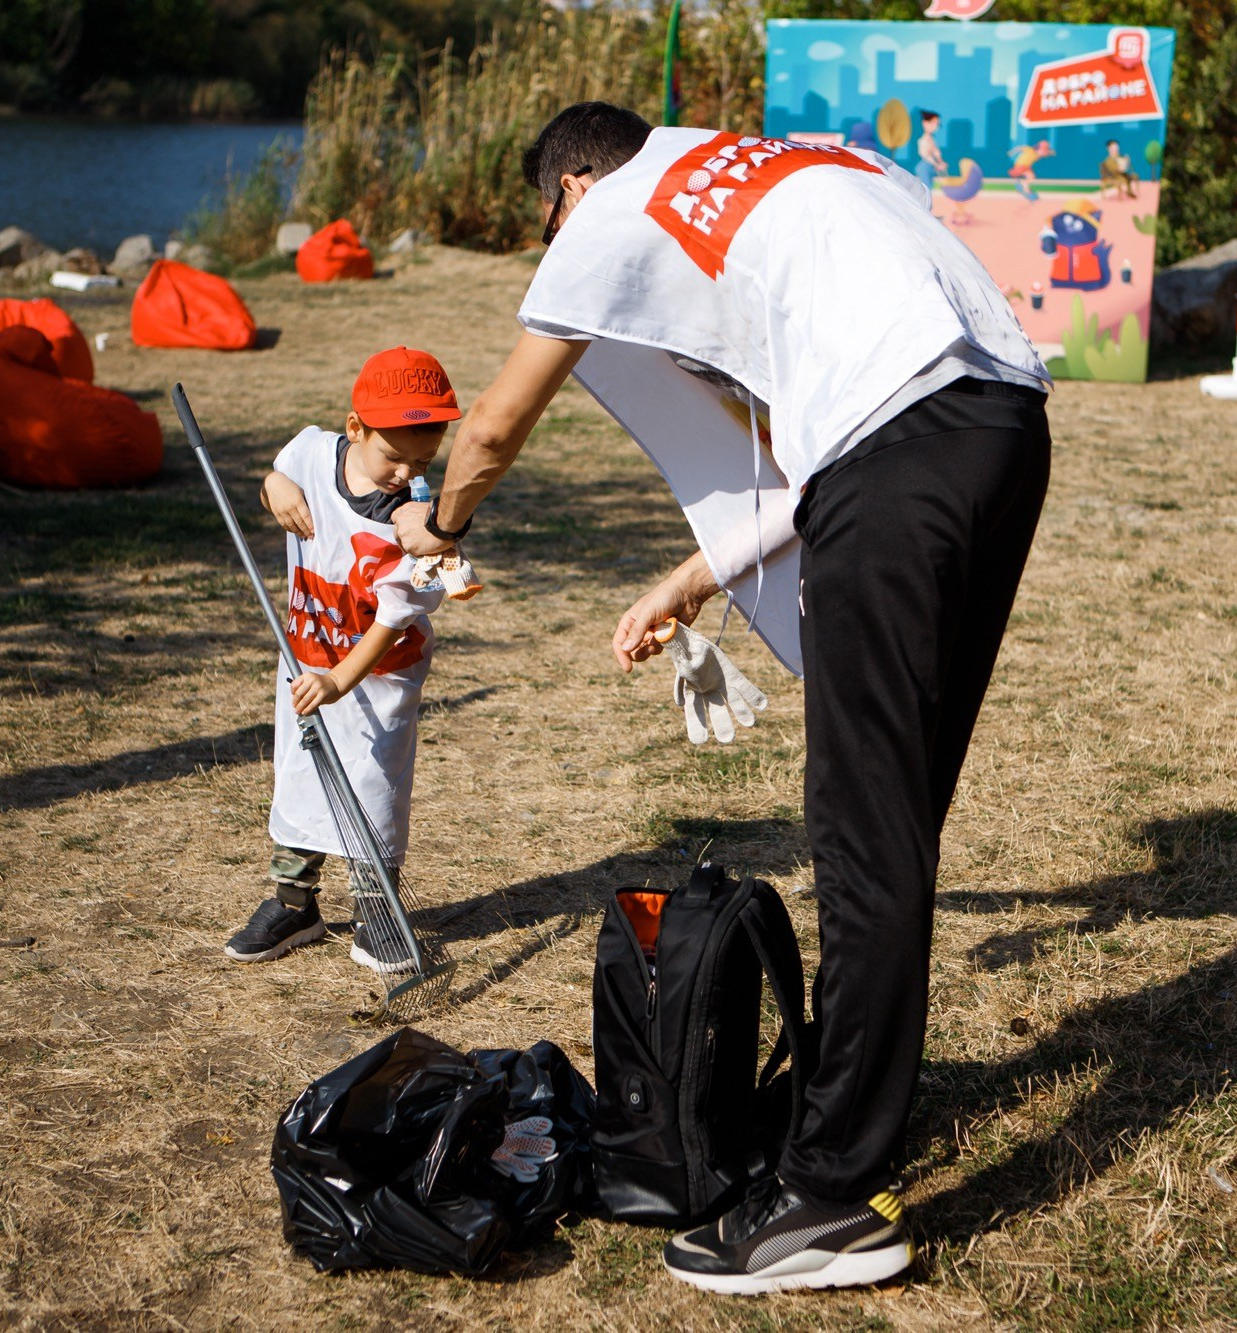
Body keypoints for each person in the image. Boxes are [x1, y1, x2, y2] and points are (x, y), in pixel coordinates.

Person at [394, 103, 1053, 1294]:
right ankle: (835, 1112)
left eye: (548, 223)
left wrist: (431, 525)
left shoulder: (606, 209)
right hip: (1004, 426)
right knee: (895, 814)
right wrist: (693, 576)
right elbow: (869, 423)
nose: (557, 248)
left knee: (862, 836)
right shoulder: (782, 161)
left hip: (898, 456)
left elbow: (490, 427)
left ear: (569, 186)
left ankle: (831, 1201)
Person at [223, 347, 460, 974]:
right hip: (306, 657)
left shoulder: (417, 527)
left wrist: (340, 679)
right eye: (394, 455)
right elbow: (280, 469)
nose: (406, 472)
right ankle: (294, 902)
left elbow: (391, 619)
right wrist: (274, 487)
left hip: (376, 673)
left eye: (423, 460)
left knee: (371, 783)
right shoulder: (310, 452)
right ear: (355, 428)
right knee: (300, 772)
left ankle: (376, 908)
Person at [914, 109, 947, 204]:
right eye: (933, 123)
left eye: (937, 124)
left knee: (929, 189)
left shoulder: (932, 139)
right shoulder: (923, 140)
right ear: (925, 123)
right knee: (926, 189)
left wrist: (940, 162)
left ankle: (928, 211)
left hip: (929, 166)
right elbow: (925, 155)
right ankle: (925, 211)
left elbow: (936, 153)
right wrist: (937, 164)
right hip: (924, 167)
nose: (936, 126)